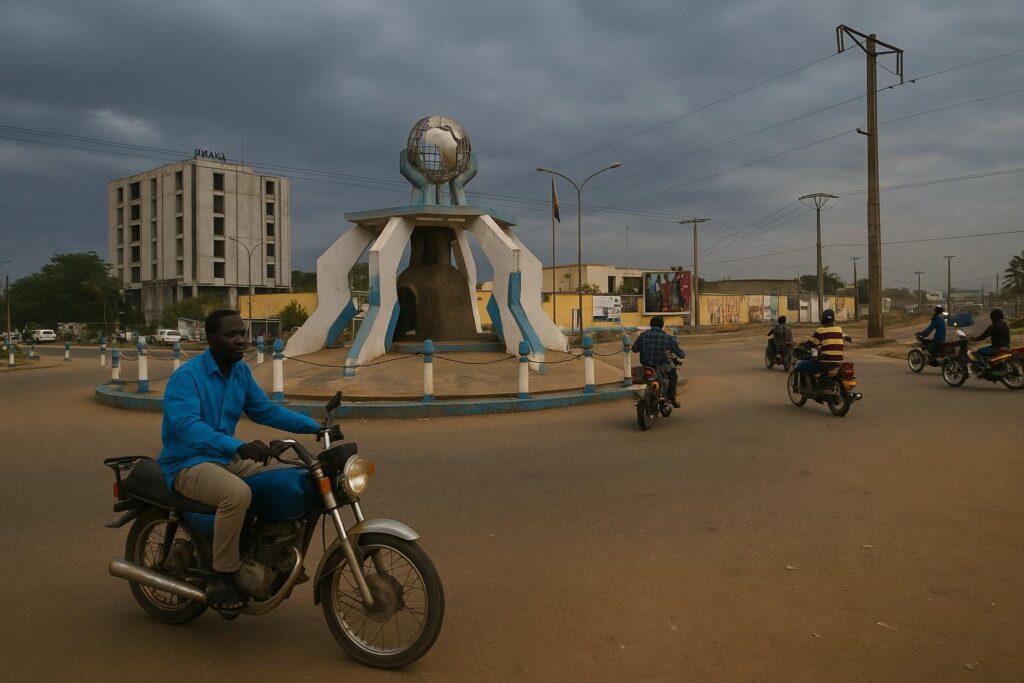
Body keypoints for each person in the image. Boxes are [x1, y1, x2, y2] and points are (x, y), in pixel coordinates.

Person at [158, 309, 321, 613]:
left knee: (281, 482)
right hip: (187, 463)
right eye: (231, 335)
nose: (240, 341)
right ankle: (220, 576)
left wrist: (315, 426)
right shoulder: (187, 377)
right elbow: (188, 427)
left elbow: (265, 410)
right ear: (211, 339)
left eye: (242, 334)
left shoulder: (240, 373)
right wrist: (238, 446)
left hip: (224, 458)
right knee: (237, 494)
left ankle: (270, 554)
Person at [632, 316, 686, 408]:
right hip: (661, 367)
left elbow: (634, 349)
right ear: (662, 325)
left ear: (650, 324)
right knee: (673, 374)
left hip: (646, 366)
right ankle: (671, 398)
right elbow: (681, 354)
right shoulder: (668, 338)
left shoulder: (643, 335)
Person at [795, 309, 844, 393]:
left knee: (801, 365)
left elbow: (810, 343)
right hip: (839, 361)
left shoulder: (820, 330)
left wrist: (804, 346)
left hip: (825, 361)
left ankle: (812, 388)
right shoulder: (839, 329)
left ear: (822, 320)